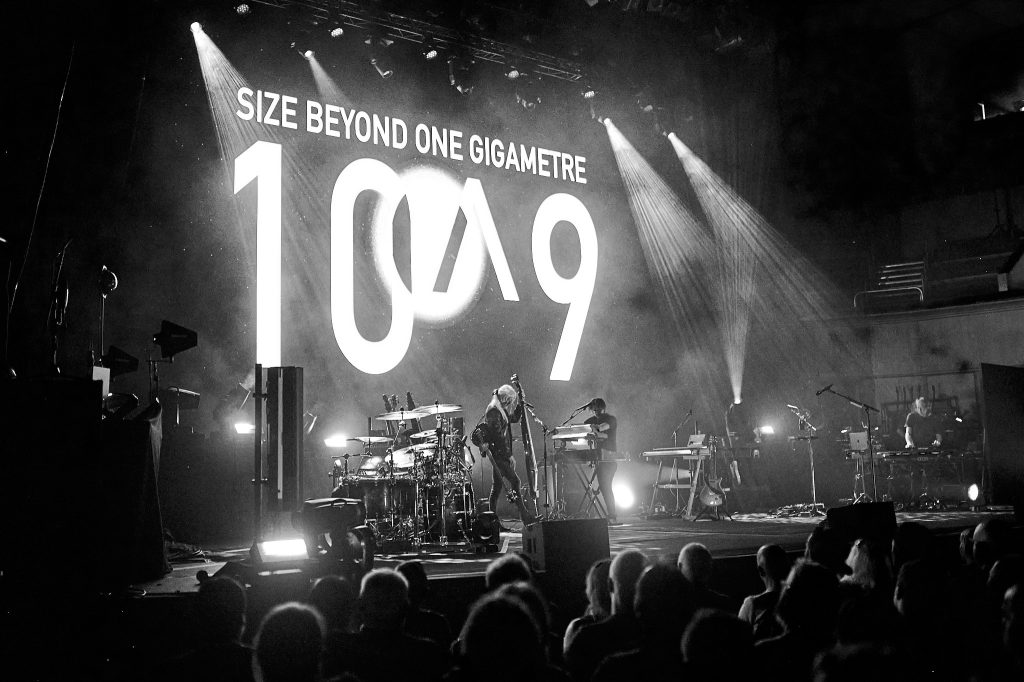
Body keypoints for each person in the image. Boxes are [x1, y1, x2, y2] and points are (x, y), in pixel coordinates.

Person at [471, 383, 537, 525]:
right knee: (515, 482)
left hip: (500, 454)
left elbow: (514, 418)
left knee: (497, 489)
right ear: (506, 399)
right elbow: (498, 437)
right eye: (511, 401)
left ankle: (493, 522)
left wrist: (520, 402)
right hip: (499, 455)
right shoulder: (494, 411)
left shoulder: (499, 409)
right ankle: (525, 517)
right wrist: (508, 455)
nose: (511, 404)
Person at [583, 398, 620, 524]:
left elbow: (601, 428)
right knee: (602, 486)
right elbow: (584, 429)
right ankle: (608, 514)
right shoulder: (590, 421)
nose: (596, 411)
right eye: (593, 409)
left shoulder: (611, 419)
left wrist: (594, 429)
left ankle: (612, 515)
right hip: (596, 457)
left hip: (608, 459)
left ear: (603, 408)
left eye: (598, 408)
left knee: (605, 486)